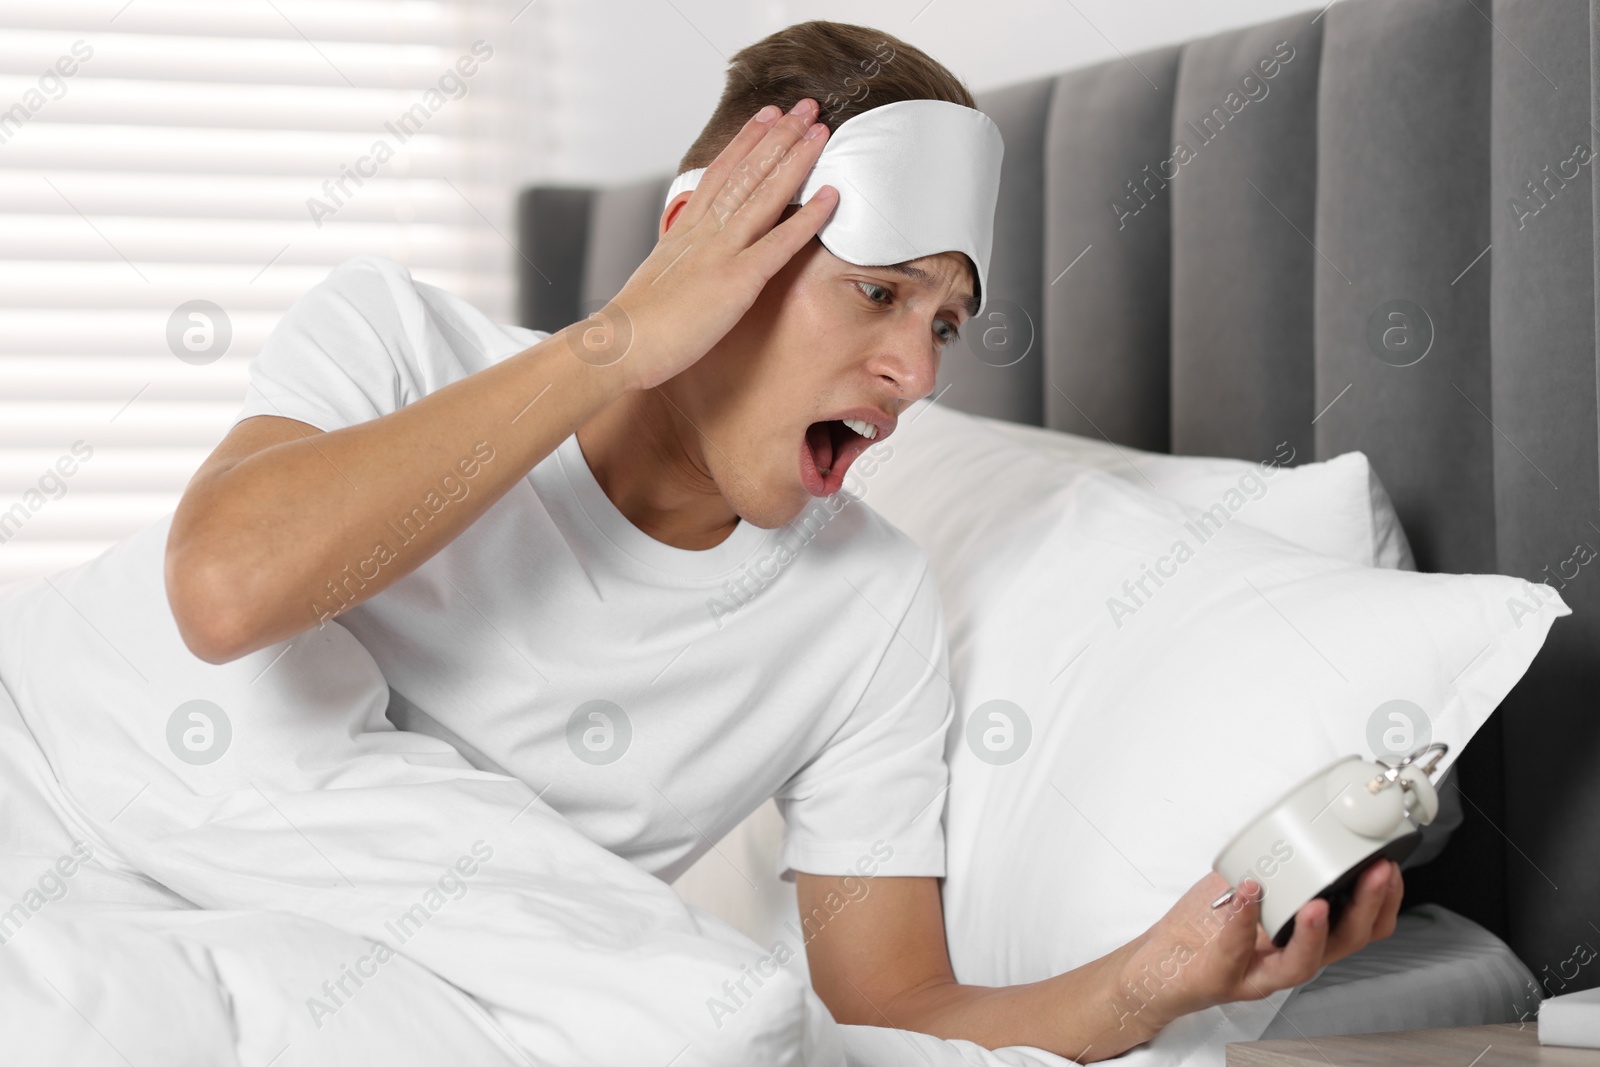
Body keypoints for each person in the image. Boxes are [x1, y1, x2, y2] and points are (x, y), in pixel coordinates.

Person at [160, 20, 1402, 1061]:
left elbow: (891, 1017)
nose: (914, 371)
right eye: (878, 290)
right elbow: (223, 595)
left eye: (947, 323)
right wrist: (618, 341)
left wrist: (1161, 977)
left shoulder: (864, 613)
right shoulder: (393, 341)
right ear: (702, 243)